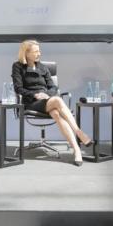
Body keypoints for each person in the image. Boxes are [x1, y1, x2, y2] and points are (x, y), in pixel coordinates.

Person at [12, 39, 92, 167]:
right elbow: (18, 88)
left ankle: (77, 150)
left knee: (56, 113)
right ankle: (79, 133)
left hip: (47, 100)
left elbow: (53, 87)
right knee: (57, 100)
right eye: (35, 51)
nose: (39, 54)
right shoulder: (18, 66)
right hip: (31, 102)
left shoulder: (43, 67)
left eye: (39, 51)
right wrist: (35, 94)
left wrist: (46, 94)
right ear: (26, 53)